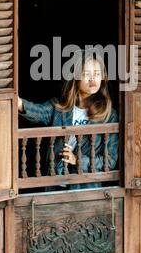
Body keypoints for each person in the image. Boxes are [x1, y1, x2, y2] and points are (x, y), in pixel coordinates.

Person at [18, 49, 119, 189]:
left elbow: (110, 161)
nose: (93, 79)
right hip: (56, 183)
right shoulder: (59, 107)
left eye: (97, 74)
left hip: (87, 187)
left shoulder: (108, 115)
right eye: (86, 74)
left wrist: (77, 160)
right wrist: (17, 103)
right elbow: (38, 111)